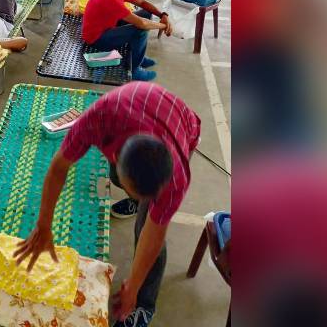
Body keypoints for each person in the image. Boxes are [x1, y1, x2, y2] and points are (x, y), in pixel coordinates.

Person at [14, 81, 201, 326]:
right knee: (124, 185)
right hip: (133, 109)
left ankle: (145, 305)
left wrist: (132, 287)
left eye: (148, 195)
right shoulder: (96, 120)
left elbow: (154, 235)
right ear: (114, 156)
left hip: (179, 122)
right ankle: (137, 200)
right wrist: (43, 225)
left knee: (146, 225)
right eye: (139, 193)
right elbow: (59, 167)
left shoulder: (175, 178)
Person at [80, 0, 171, 80]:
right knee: (140, 30)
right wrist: (163, 25)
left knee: (146, 13)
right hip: (96, 38)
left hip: (107, 25)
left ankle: (138, 57)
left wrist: (162, 15)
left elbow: (142, 3)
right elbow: (142, 24)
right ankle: (135, 70)